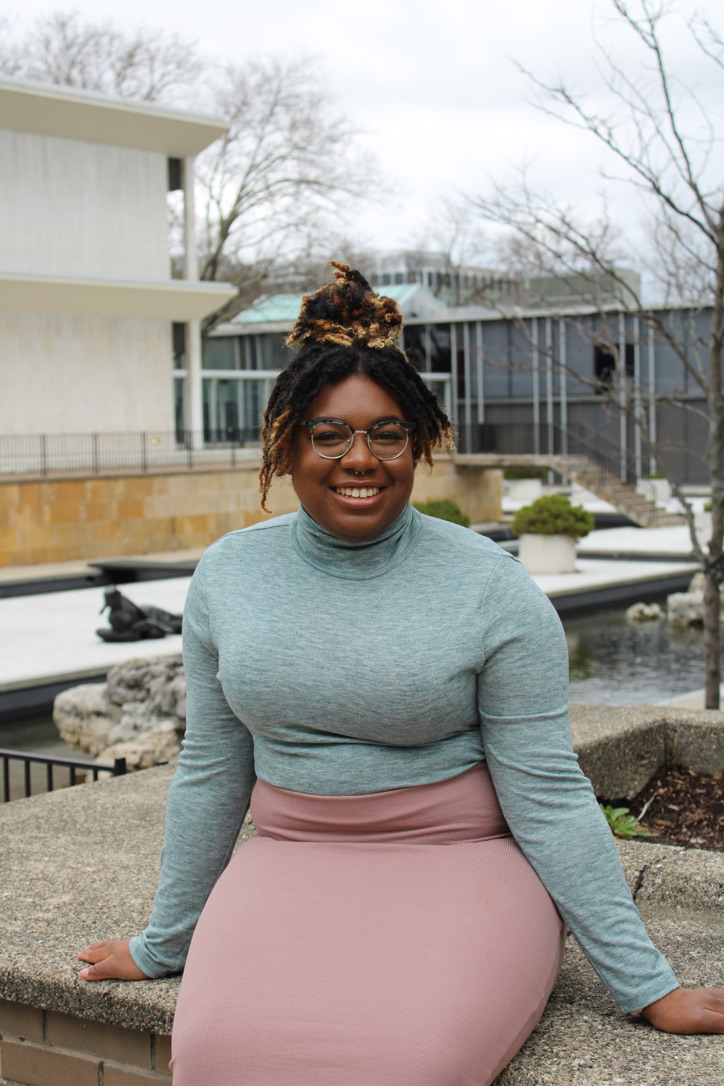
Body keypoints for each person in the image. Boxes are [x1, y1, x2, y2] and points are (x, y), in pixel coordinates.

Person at [79, 263, 724, 1084]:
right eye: (329, 434)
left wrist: (647, 985)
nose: (361, 458)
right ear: (286, 444)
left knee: (412, 1063)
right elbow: (211, 768)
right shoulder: (229, 576)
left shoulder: (491, 588)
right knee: (214, 1055)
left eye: (387, 434)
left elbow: (550, 795)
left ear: (416, 443)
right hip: (290, 856)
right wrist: (163, 942)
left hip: (461, 860)